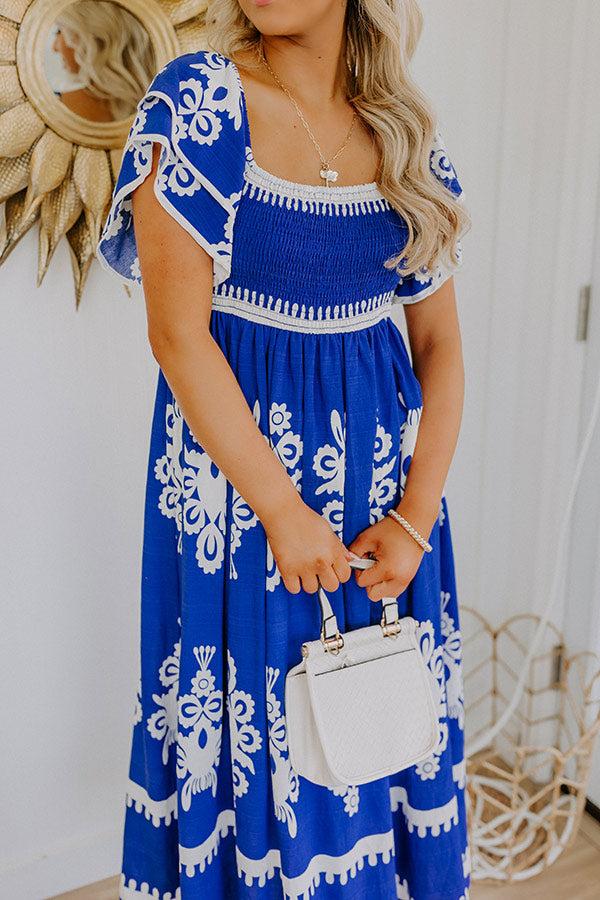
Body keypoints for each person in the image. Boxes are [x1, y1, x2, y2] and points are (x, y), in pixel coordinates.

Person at [96, 1, 471, 897]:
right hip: (242, 504)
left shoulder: (402, 133)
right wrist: (282, 510)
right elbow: (178, 336)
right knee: (264, 743)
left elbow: (440, 348)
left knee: (373, 726)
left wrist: (415, 518)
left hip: (383, 512)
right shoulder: (198, 104)